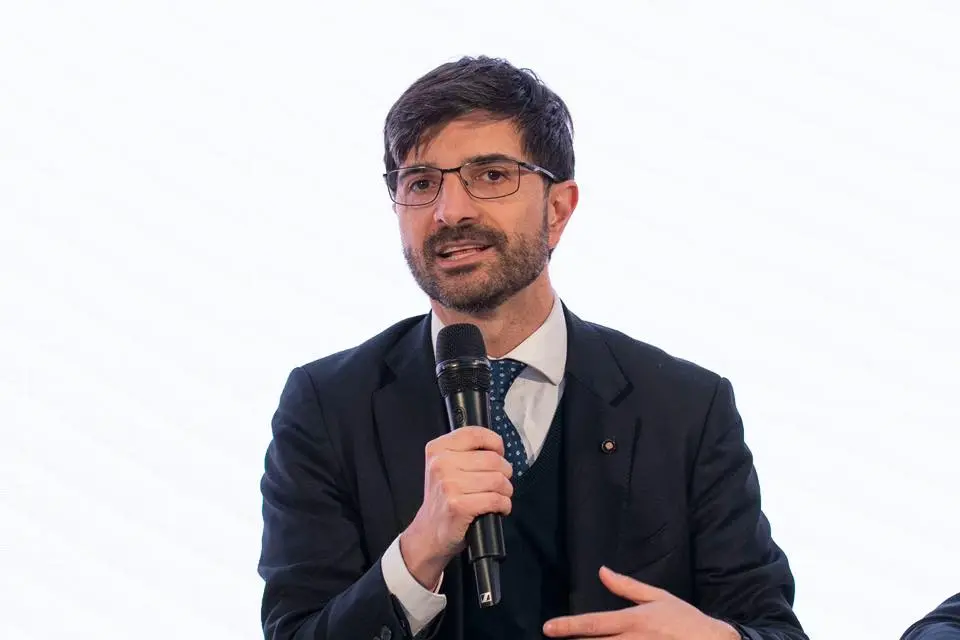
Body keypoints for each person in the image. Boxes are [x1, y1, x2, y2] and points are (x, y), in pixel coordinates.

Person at [257, 55, 807, 640]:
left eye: (492, 175)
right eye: (420, 183)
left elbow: (773, 627)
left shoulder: (685, 407)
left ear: (558, 209)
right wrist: (417, 552)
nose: (450, 211)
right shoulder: (327, 406)